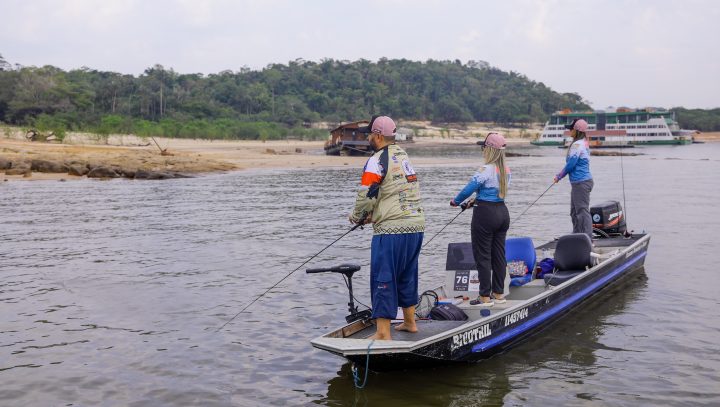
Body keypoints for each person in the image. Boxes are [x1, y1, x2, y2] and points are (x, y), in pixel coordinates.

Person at [349, 115, 425, 341]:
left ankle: (383, 333)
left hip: (391, 230)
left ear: (379, 136)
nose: (368, 138)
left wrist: (358, 216)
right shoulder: (403, 156)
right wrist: (375, 214)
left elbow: (366, 194)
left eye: (370, 134)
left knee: (383, 277)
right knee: (407, 274)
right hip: (416, 226)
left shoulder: (377, 159)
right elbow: (394, 191)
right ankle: (410, 322)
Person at [450, 132, 510, 307]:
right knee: (499, 255)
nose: (482, 150)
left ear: (489, 149)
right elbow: (491, 193)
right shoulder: (506, 170)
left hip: (485, 215)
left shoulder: (486, 168)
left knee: (483, 255)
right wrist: (476, 200)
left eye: (483, 147)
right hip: (502, 212)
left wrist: (456, 201)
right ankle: (498, 294)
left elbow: (470, 187)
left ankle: (484, 297)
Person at [553, 118, 593, 240]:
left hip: (581, 183)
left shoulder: (577, 145)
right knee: (574, 212)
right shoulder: (584, 142)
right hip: (579, 183)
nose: (569, 131)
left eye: (571, 129)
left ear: (577, 130)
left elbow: (571, 164)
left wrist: (558, 176)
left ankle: (587, 238)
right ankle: (577, 235)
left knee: (581, 211)